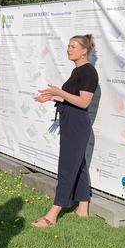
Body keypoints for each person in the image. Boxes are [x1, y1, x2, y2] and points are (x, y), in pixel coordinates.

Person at [32, 34, 98, 228]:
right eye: (68, 46)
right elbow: (72, 99)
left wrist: (60, 92)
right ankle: (83, 208)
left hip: (77, 125)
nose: (68, 49)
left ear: (84, 50)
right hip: (71, 121)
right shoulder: (77, 71)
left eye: (73, 46)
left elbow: (84, 102)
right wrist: (53, 97)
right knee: (78, 164)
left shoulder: (88, 72)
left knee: (67, 167)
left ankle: (53, 215)